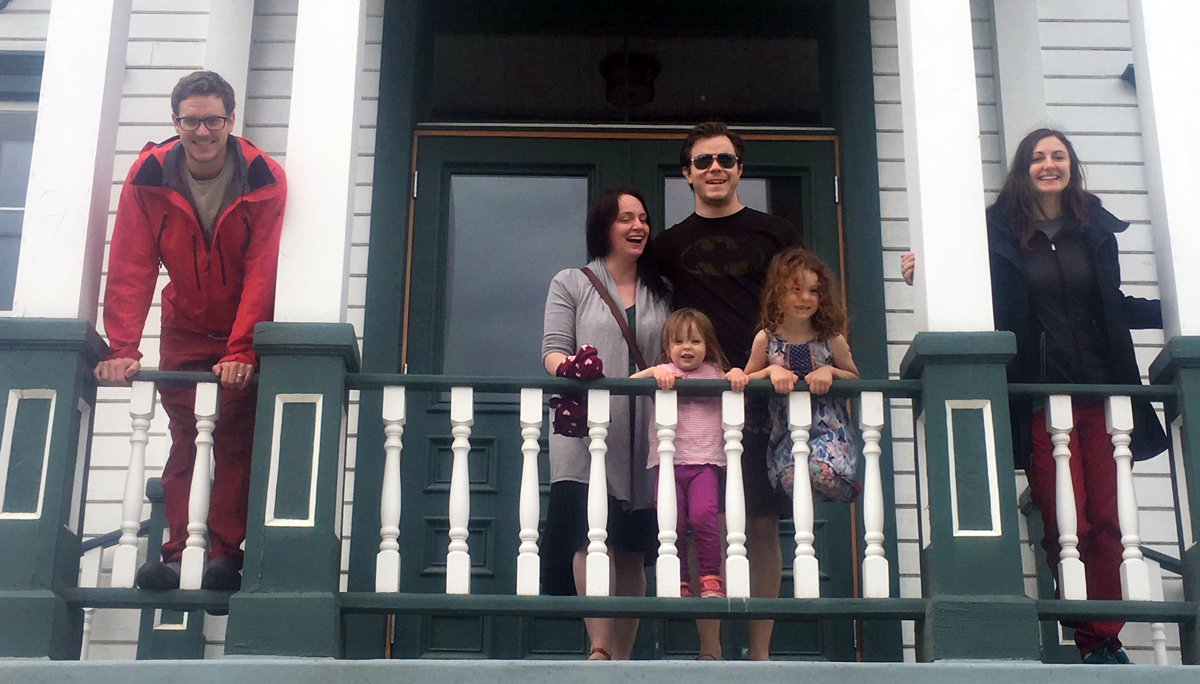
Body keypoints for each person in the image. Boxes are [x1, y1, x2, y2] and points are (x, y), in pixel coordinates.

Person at [900, 128, 1168, 664]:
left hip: (1102, 393)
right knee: (1067, 518)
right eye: (1038, 158)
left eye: (1058, 156)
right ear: (1023, 170)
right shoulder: (999, 233)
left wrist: (1170, 311)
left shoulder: (1093, 231)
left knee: (1110, 521)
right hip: (1043, 399)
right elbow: (977, 287)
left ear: (1072, 166)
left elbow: (1111, 304)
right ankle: (1088, 626)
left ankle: (1103, 639)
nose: (1049, 165)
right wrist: (926, 271)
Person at [94, 71, 287, 594]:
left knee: (233, 436)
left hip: (238, 329)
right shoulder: (148, 176)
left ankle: (224, 553)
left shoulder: (263, 177)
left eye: (214, 121)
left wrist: (242, 347)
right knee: (185, 437)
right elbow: (132, 265)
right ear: (174, 121)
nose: (203, 132)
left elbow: (262, 271)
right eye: (191, 121)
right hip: (182, 325)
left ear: (231, 120)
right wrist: (123, 348)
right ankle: (179, 553)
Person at [651, 121, 802, 660]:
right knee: (703, 521)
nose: (715, 169)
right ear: (686, 174)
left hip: (763, 391)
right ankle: (710, 649)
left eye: (726, 160)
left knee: (762, 521)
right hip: (697, 401)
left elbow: (805, 301)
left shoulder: (775, 233)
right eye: (703, 162)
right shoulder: (667, 246)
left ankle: (759, 652)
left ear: (740, 168)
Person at [541, 187, 671, 660]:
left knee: (633, 545)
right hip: (587, 427)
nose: (637, 227)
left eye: (642, 219)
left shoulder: (663, 291)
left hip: (644, 430)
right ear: (604, 228)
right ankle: (598, 649)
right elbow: (552, 350)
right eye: (625, 219)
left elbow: (675, 354)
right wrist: (573, 369)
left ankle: (623, 656)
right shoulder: (571, 282)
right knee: (588, 533)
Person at [634, 308, 747, 604]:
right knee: (674, 523)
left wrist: (736, 374)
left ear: (707, 346)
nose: (687, 348)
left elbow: (738, 385)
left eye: (695, 341)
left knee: (703, 516)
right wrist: (652, 372)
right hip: (668, 463)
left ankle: (710, 576)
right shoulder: (664, 372)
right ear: (667, 347)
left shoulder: (714, 373)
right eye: (678, 341)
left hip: (704, 461)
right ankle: (679, 577)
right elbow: (634, 380)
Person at [743, 248, 861, 503]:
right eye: (796, 289)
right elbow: (746, 380)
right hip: (786, 431)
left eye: (813, 291)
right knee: (791, 481)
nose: (804, 297)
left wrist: (830, 371)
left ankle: (848, 488)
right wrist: (771, 370)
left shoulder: (831, 339)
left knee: (821, 473)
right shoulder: (766, 338)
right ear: (778, 293)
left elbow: (853, 377)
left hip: (827, 428)